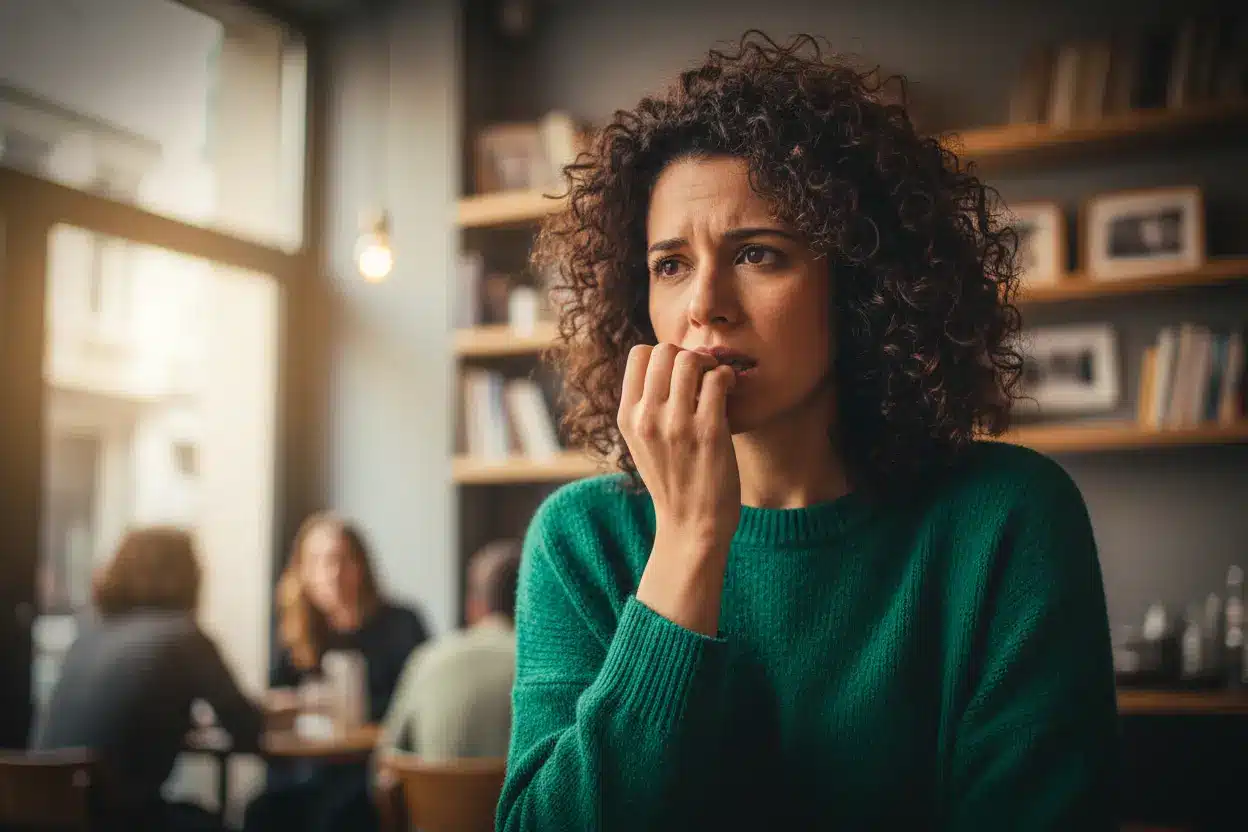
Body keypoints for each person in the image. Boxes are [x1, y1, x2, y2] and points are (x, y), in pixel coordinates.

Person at [496, 31, 1120, 831]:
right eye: (671, 264)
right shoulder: (582, 541)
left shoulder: (1006, 519)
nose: (704, 305)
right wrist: (688, 541)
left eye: (758, 254)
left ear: (859, 286)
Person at [35, 526, 264, 831]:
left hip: (37, 815)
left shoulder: (89, 633)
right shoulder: (184, 635)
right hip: (115, 820)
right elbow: (246, 729)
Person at [243, 511, 430, 832]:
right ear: (301, 571)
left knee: (340, 813)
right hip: (309, 770)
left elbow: (419, 704)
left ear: (361, 567)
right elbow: (278, 703)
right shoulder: (296, 633)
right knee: (260, 809)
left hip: (374, 770)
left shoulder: (402, 624)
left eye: (341, 560)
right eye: (317, 562)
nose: (331, 573)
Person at [378, 539, 521, 761]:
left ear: (473, 606)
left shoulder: (426, 657)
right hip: (514, 796)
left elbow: (387, 759)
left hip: (429, 796)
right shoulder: (542, 667)